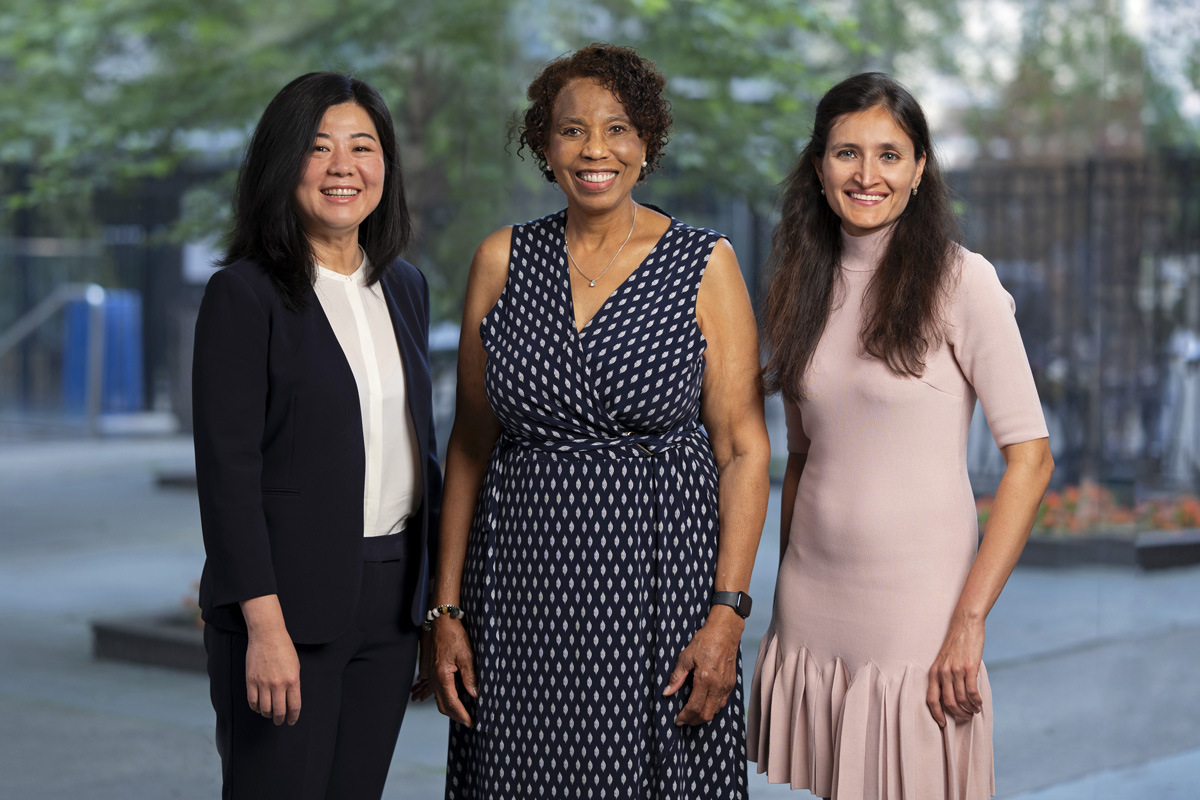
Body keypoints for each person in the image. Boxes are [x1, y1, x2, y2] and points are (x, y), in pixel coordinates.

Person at [423, 43, 770, 799]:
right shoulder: (501, 260)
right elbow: (470, 445)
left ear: (647, 143)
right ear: (545, 145)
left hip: (659, 592)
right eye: (572, 129)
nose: (595, 150)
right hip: (518, 595)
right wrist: (444, 608)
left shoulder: (704, 264)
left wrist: (727, 616)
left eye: (617, 129)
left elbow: (744, 449)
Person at [748, 72, 1054, 800]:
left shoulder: (963, 282)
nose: (867, 174)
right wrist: (785, 591)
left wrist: (969, 622)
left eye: (889, 154)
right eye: (846, 153)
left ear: (919, 169)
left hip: (919, 606)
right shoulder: (798, 286)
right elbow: (804, 457)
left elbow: (1032, 461)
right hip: (813, 597)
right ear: (818, 167)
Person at [192, 72, 442, 800]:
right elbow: (228, 478)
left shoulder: (405, 287)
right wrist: (264, 628)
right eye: (318, 146)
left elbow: (420, 450)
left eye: (362, 147)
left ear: (385, 166)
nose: (343, 167)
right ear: (283, 163)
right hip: (285, 607)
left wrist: (432, 605)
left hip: (392, 602)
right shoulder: (243, 294)